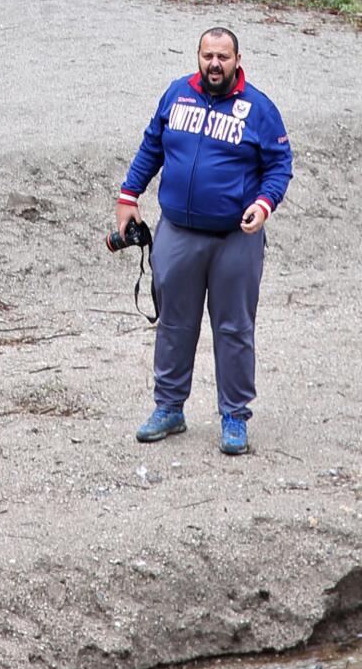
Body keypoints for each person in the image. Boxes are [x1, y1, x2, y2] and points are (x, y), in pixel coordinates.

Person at [115, 23, 293, 456]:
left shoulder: (258, 109)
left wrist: (264, 204)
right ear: (198, 57)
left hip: (236, 237)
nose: (215, 64)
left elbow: (280, 164)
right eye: (207, 56)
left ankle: (234, 417)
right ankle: (169, 408)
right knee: (174, 325)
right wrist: (128, 196)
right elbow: (151, 147)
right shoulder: (176, 95)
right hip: (177, 233)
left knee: (233, 328)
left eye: (223, 57)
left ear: (237, 61)